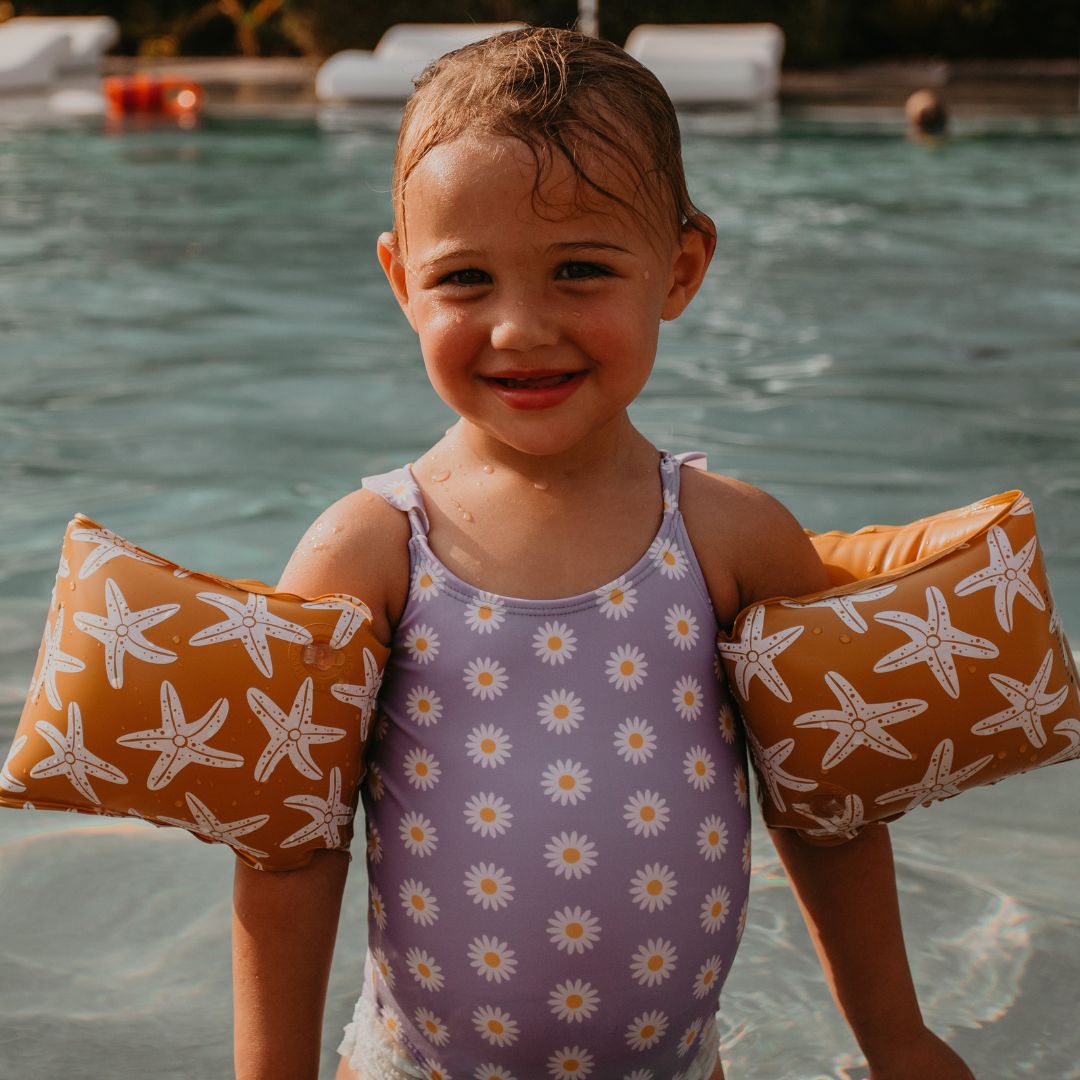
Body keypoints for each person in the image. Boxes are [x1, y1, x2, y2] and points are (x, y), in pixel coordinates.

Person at [233, 27, 975, 1080]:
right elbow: (292, 850)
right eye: (465, 278)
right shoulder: (371, 551)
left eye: (579, 269)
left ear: (681, 267)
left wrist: (897, 1041)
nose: (521, 328)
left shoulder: (731, 538)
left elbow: (831, 817)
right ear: (402, 280)